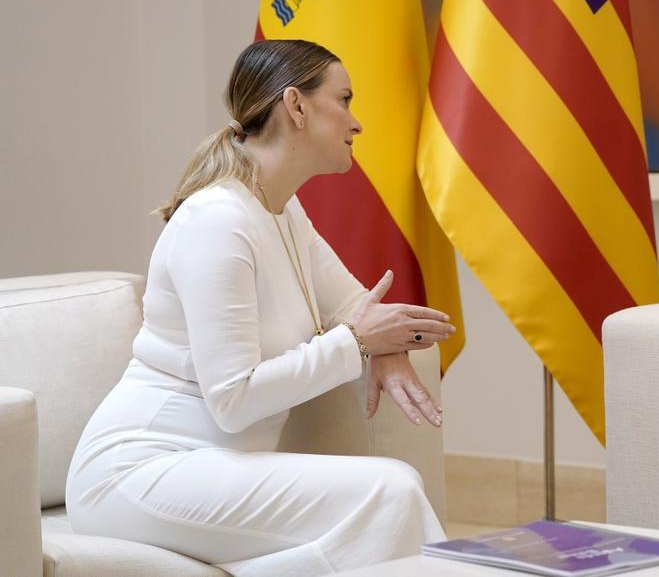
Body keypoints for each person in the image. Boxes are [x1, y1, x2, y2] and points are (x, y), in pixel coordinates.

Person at [66, 39, 455, 574]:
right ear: (296, 107)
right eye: (343, 99)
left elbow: (352, 306)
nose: (356, 121)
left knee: (392, 492)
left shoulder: (281, 210)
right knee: (390, 489)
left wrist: (382, 345)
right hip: (136, 473)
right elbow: (233, 399)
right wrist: (362, 342)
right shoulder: (218, 221)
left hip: (213, 466)